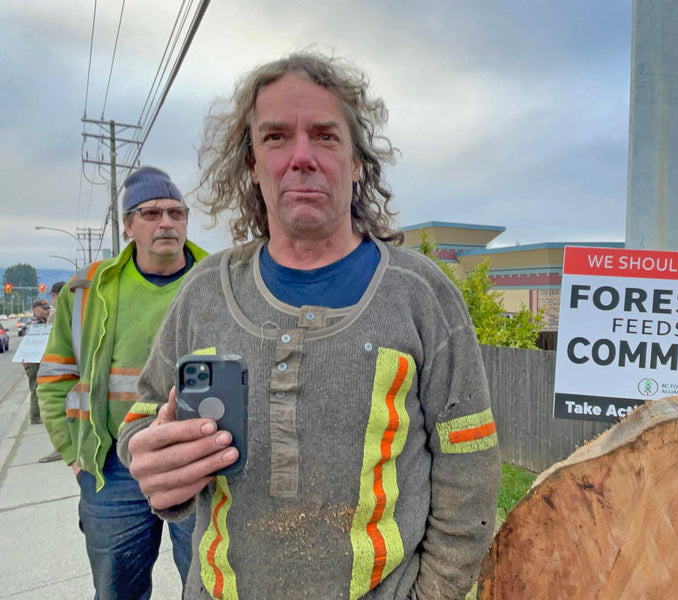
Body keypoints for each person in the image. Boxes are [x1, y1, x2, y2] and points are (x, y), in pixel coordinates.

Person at [119, 51, 501, 600]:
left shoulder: (421, 295)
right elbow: (143, 418)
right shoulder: (204, 292)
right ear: (251, 163)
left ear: (357, 162)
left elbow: (470, 465)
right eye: (276, 137)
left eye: (325, 136)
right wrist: (155, 460)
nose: (301, 157)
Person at [37, 166, 208, 599]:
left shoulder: (219, 282)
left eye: (176, 212)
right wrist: (78, 462)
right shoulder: (84, 291)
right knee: (117, 591)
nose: (166, 222)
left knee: (209, 585)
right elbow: (55, 379)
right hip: (113, 472)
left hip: (200, 465)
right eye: (150, 213)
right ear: (128, 225)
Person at [37, 281, 68, 462]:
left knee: (57, 410)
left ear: (56, 296)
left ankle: (62, 447)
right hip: (68, 369)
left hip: (60, 370)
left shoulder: (59, 315)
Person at [23, 299, 51, 425]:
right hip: (33, 363)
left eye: (48, 309)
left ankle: (42, 413)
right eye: (44, 309)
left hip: (43, 361)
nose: (47, 311)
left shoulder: (46, 322)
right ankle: (35, 416)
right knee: (35, 388)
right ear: (35, 310)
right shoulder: (33, 324)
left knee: (43, 388)